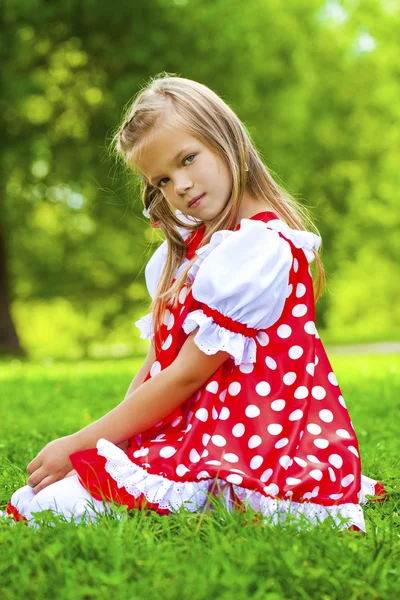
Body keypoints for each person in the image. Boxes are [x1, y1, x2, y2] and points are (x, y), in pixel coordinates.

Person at [6, 73, 385, 531]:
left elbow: (187, 376)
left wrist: (80, 442)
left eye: (188, 159)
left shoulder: (259, 248)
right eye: (162, 179)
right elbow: (155, 368)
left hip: (248, 445)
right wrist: (111, 447)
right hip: (191, 432)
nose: (180, 185)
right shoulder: (191, 250)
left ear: (226, 140)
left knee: (51, 508)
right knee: (38, 497)